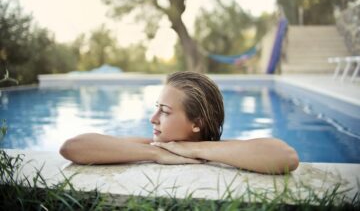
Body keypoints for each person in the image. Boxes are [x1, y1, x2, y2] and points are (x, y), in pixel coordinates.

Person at [60, 71, 299, 174]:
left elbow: (286, 157)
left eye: (164, 111)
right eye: (157, 109)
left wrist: (194, 149)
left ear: (197, 123)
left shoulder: (226, 151)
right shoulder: (152, 146)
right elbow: (72, 147)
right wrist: (157, 155)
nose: (153, 119)